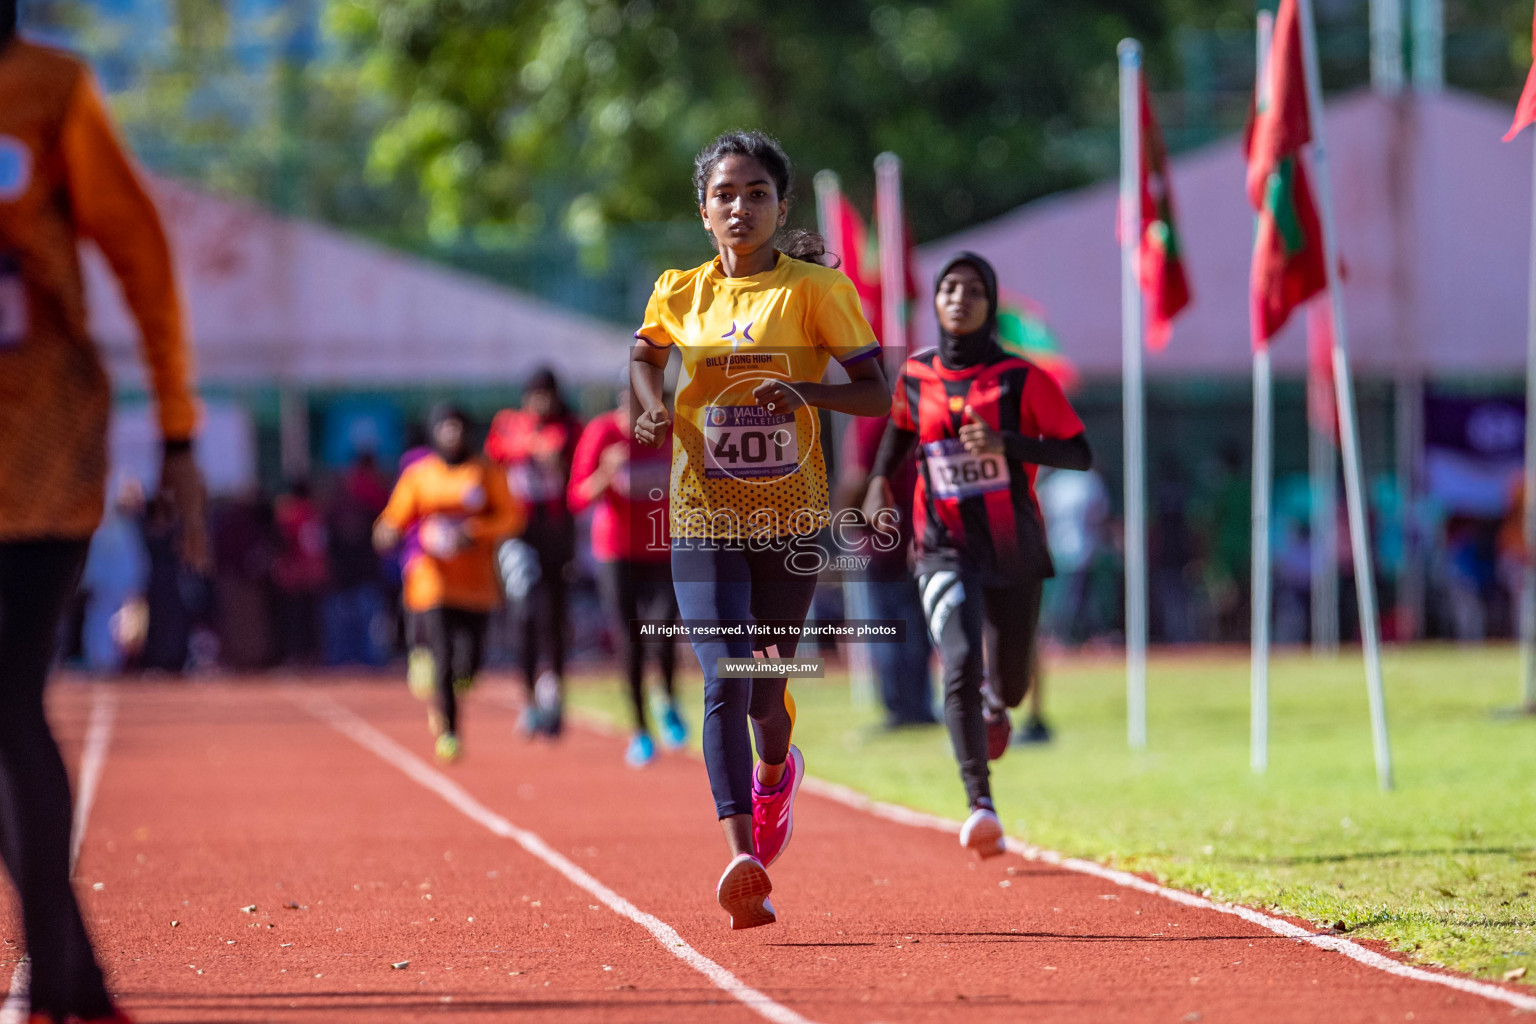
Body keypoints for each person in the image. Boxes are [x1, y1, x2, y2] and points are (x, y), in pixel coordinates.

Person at [0, 12, 206, 1021]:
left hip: (45, 446)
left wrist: (177, 428)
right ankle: (70, 971)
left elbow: (141, 255)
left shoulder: (50, 90)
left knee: (3, 696)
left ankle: (61, 970)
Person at [631, 130, 890, 929]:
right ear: (703, 210)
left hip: (789, 520)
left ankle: (779, 771)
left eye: (756, 194)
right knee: (725, 675)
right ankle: (743, 858)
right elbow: (642, 354)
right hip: (704, 514)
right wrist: (647, 404)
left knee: (765, 696)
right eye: (725, 194)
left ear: (780, 206)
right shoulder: (679, 288)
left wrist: (806, 394)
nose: (739, 207)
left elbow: (876, 393)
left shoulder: (814, 292)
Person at [863, 252, 1091, 859]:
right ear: (935, 302)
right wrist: (874, 486)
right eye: (948, 289)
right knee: (959, 660)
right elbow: (899, 434)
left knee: (1011, 685)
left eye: (971, 291)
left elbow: (1078, 452)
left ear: (990, 303)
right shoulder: (916, 374)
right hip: (941, 545)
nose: (958, 299)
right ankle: (980, 804)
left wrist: (1005, 443)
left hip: (1013, 546)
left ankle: (998, 703)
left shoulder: (1021, 379)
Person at [375, 404, 524, 762]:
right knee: (442, 657)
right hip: (433, 582)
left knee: (468, 667)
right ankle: (450, 733)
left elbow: (511, 518)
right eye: (445, 428)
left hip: (476, 584)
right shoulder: (420, 475)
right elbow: (393, 517)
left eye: (458, 427)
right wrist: (389, 531)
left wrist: (473, 532)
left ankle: (448, 694)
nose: (452, 435)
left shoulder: (486, 472)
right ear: (435, 432)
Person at [569, 368, 687, 768]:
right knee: (630, 639)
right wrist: (607, 470)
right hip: (616, 551)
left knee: (665, 627)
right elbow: (577, 497)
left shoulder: (672, 432)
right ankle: (640, 731)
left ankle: (666, 698)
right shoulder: (602, 434)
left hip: (664, 547)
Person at [486, 368, 581, 736]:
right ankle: (527, 698)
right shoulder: (508, 424)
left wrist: (554, 456)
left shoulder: (571, 427)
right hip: (518, 531)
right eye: (535, 395)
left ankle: (554, 688)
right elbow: (496, 452)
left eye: (548, 395)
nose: (541, 403)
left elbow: (574, 461)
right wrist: (533, 447)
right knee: (524, 607)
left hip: (557, 532)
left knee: (556, 614)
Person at [834, 413, 938, 729]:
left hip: (883, 538)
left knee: (890, 628)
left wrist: (841, 516)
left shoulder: (870, 420)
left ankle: (902, 707)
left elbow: (858, 475)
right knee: (914, 627)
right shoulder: (916, 413)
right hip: (915, 530)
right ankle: (918, 705)